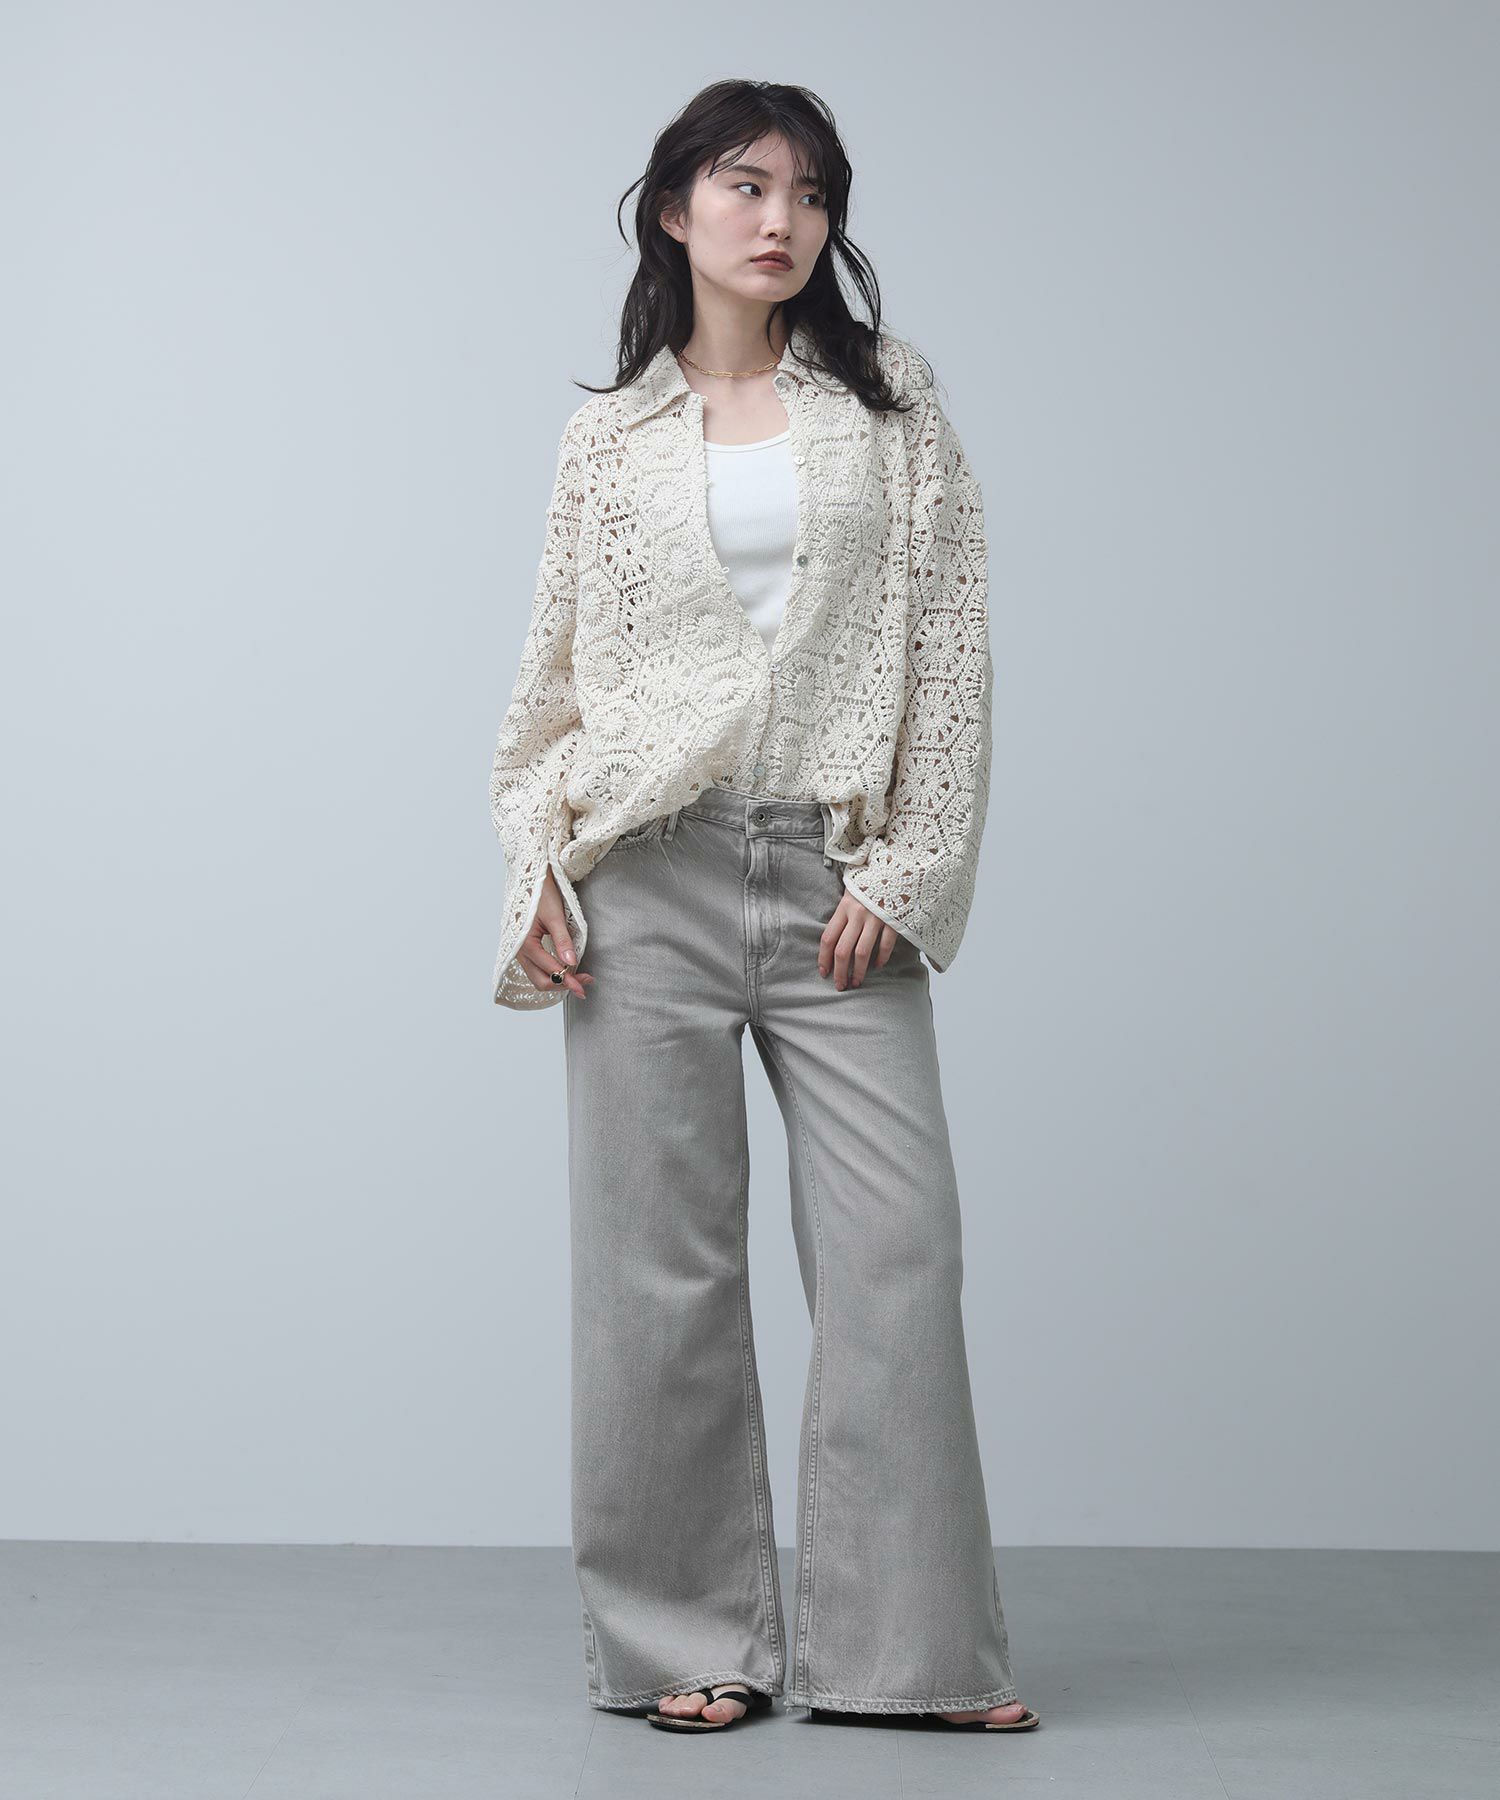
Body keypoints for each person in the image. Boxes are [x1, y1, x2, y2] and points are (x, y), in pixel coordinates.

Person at [488, 79, 1039, 1738]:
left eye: (808, 192)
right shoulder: (607, 442)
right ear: (676, 210)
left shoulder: (894, 408)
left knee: (896, 1258)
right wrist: (535, 869)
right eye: (743, 185)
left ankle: (912, 1657)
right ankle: (686, 1644)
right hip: (642, 878)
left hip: (835, 881)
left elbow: (949, 652)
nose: (779, 218)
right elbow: (550, 697)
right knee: (651, 1276)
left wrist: (909, 869)